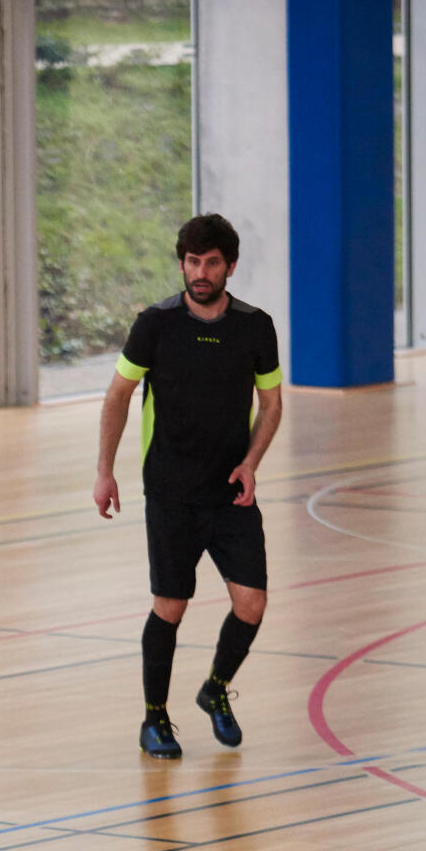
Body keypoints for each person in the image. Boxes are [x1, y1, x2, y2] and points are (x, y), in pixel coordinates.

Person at [92, 212, 284, 759]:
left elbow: (271, 405)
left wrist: (251, 462)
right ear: (182, 263)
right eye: (193, 262)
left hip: (230, 490)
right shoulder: (155, 324)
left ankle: (216, 690)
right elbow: (117, 396)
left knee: (251, 602)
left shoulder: (255, 327)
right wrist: (105, 471)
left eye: (212, 263)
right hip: (172, 492)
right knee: (170, 605)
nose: (201, 272)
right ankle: (154, 718)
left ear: (230, 267)